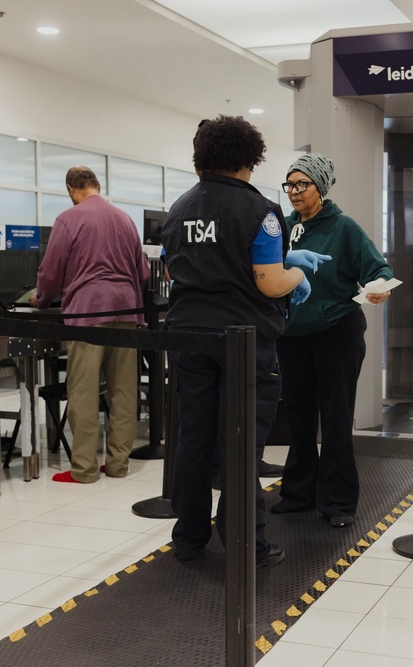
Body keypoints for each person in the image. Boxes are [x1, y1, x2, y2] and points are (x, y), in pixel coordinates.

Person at [160, 115, 316, 566]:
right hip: (244, 341)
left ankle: (188, 539)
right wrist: (297, 273)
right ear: (251, 158)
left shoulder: (179, 208)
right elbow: (268, 282)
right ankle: (247, 543)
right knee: (241, 443)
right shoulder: (260, 211)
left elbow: (173, 270)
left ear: (200, 159)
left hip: (188, 335)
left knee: (194, 439)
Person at [272, 153, 394, 528]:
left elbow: (380, 269)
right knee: (299, 418)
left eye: (302, 184)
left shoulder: (343, 227)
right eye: (289, 185)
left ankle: (339, 502)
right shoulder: (283, 228)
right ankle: (298, 493)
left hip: (336, 332)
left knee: (336, 418)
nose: (294, 192)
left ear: (320, 187)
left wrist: (379, 288)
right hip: (292, 336)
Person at [30, 167, 150, 483]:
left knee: (83, 390)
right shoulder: (126, 219)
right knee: (124, 392)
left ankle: (83, 469)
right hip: (127, 311)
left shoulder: (68, 220)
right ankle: (118, 465)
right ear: (97, 186)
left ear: (71, 189)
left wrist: (41, 299)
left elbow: (51, 272)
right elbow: (144, 272)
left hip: (87, 314)